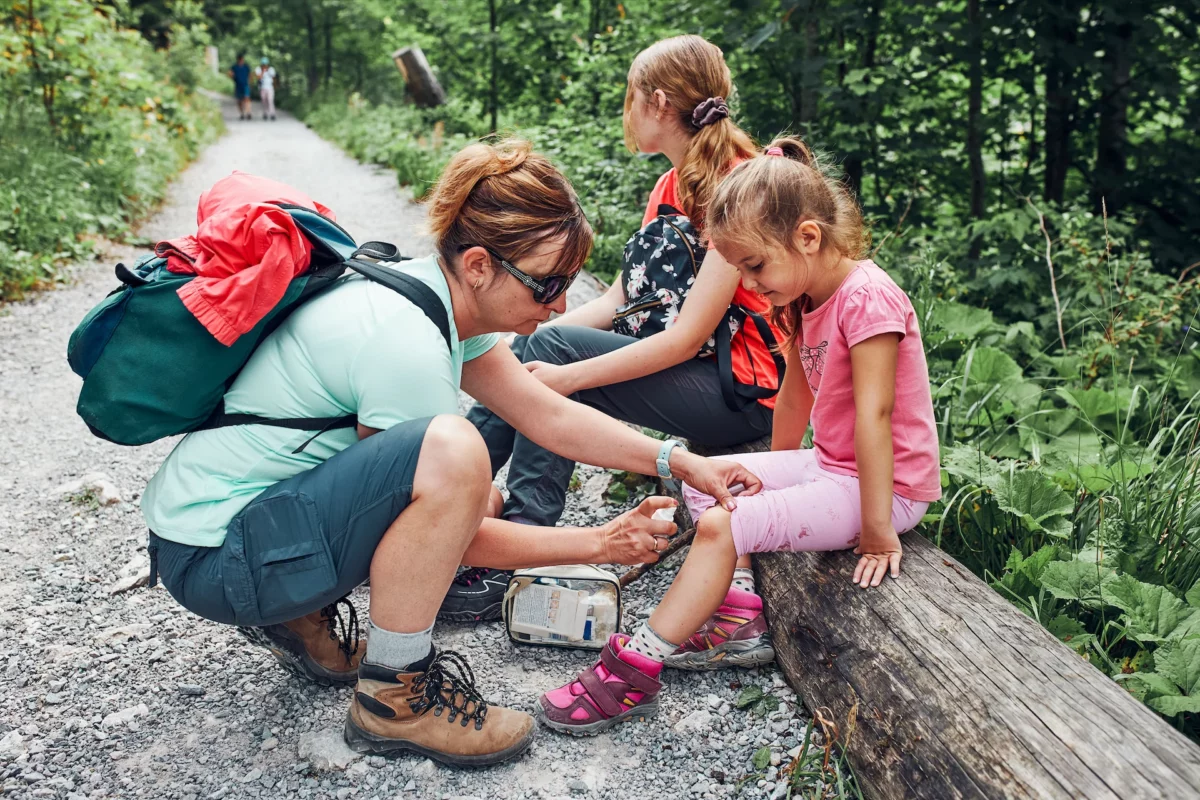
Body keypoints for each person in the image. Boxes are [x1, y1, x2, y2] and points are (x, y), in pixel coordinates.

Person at [141, 139, 761, 765]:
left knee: (470, 483)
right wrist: (598, 544)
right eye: (547, 283)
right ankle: (395, 698)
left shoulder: (424, 294)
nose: (560, 306)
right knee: (456, 452)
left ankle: (299, 617)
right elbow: (444, 542)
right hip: (219, 562)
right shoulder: (406, 341)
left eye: (569, 283)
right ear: (478, 265)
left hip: (223, 532)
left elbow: (546, 414)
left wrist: (673, 461)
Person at [536, 137, 943, 735]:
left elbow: (875, 417)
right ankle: (738, 613)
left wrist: (880, 532)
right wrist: (770, 481)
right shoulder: (808, 296)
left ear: (808, 237)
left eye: (755, 266)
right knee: (713, 480)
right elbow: (797, 395)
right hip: (835, 469)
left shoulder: (869, 300)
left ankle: (636, 667)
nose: (750, 282)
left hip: (891, 491)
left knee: (726, 524)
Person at [453, 35, 784, 625]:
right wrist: (523, 338)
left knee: (551, 354)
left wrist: (560, 375)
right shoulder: (670, 183)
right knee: (536, 341)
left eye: (629, 97)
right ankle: (460, 499)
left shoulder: (742, 188)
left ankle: (520, 536)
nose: (625, 111)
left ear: (656, 102)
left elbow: (685, 338)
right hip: (693, 368)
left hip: (740, 393)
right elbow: (619, 299)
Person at [228, 54, 251, 120]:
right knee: (239, 100)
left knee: (247, 99)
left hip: (245, 85)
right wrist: (233, 77)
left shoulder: (246, 67)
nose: (241, 61)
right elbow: (230, 73)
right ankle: (242, 113)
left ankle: (248, 113)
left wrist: (249, 83)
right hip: (238, 85)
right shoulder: (234, 67)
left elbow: (249, 75)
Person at [254, 57, 277, 121]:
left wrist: (275, 86)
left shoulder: (271, 69)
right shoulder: (258, 69)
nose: (264, 66)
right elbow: (258, 78)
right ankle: (265, 113)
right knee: (264, 101)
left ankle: (272, 113)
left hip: (270, 88)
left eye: (265, 64)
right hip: (262, 88)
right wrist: (263, 71)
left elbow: (274, 78)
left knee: (270, 100)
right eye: (263, 64)